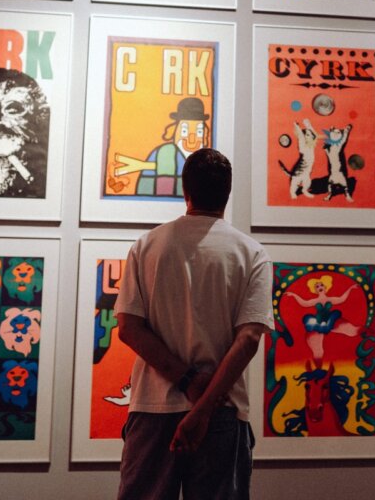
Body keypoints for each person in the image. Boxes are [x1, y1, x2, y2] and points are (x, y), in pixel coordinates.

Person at [114, 148, 272, 500]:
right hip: (222, 409)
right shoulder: (251, 253)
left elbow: (128, 327)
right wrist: (202, 409)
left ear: (185, 191)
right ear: (227, 194)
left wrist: (186, 381)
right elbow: (248, 339)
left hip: (153, 407)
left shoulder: (147, 246)